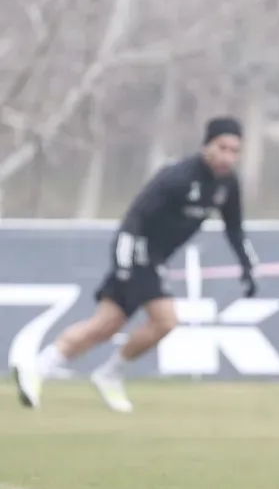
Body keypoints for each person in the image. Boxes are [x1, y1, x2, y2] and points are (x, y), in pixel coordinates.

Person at [12, 116, 259, 413]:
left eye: (235, 151)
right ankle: (109, 373)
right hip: (138, 254)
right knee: (166, 320)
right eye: (223, 148)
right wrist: (123, 263)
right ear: (207, 145)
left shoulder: (227, 185)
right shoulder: (177, 176)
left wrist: (247, 266)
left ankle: (39, 367)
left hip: (155, 260)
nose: (228, 157)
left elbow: (234, 229)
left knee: (104, 325)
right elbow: (134, 218)